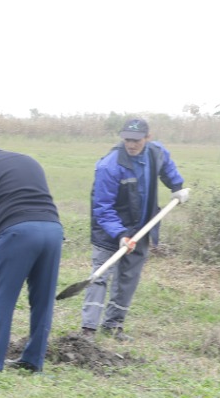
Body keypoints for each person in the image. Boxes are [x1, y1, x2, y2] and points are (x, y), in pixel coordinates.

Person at [81, 118, 188, 338]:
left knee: (128, 278)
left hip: (141, 227)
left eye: (136, 140)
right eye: (127, 139)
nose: (131, 144)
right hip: (109, 229)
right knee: (100, 276)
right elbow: (102, 207)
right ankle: (88, 329)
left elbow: (166, 165)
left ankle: (113, 325)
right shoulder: (109, 166)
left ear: (148, 138)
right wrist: (120, 234)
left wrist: (176, 187)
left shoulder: (155, 152)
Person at [0, 140, 64, 372]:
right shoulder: (29, 160)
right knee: (43, 300)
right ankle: (33, 361)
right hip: (53, 230)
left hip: (18, 232)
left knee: (2, 297)